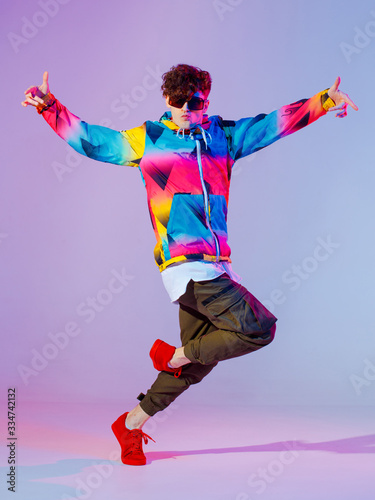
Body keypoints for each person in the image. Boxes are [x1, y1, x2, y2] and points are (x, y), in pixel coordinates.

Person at [22, 64, 357, 466]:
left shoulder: (222, 137)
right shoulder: (150, 140)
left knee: (197, 365)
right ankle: (175, 354)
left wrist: (324, 100)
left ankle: (131, 423)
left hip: (218, 266)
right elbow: (95, 142)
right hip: (185, 266)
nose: (184, 107)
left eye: (193, 101)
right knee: (259, 328)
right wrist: (50, 107)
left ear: (206, 102)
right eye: (176, 100)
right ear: (165, 99)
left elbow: (272, 125)